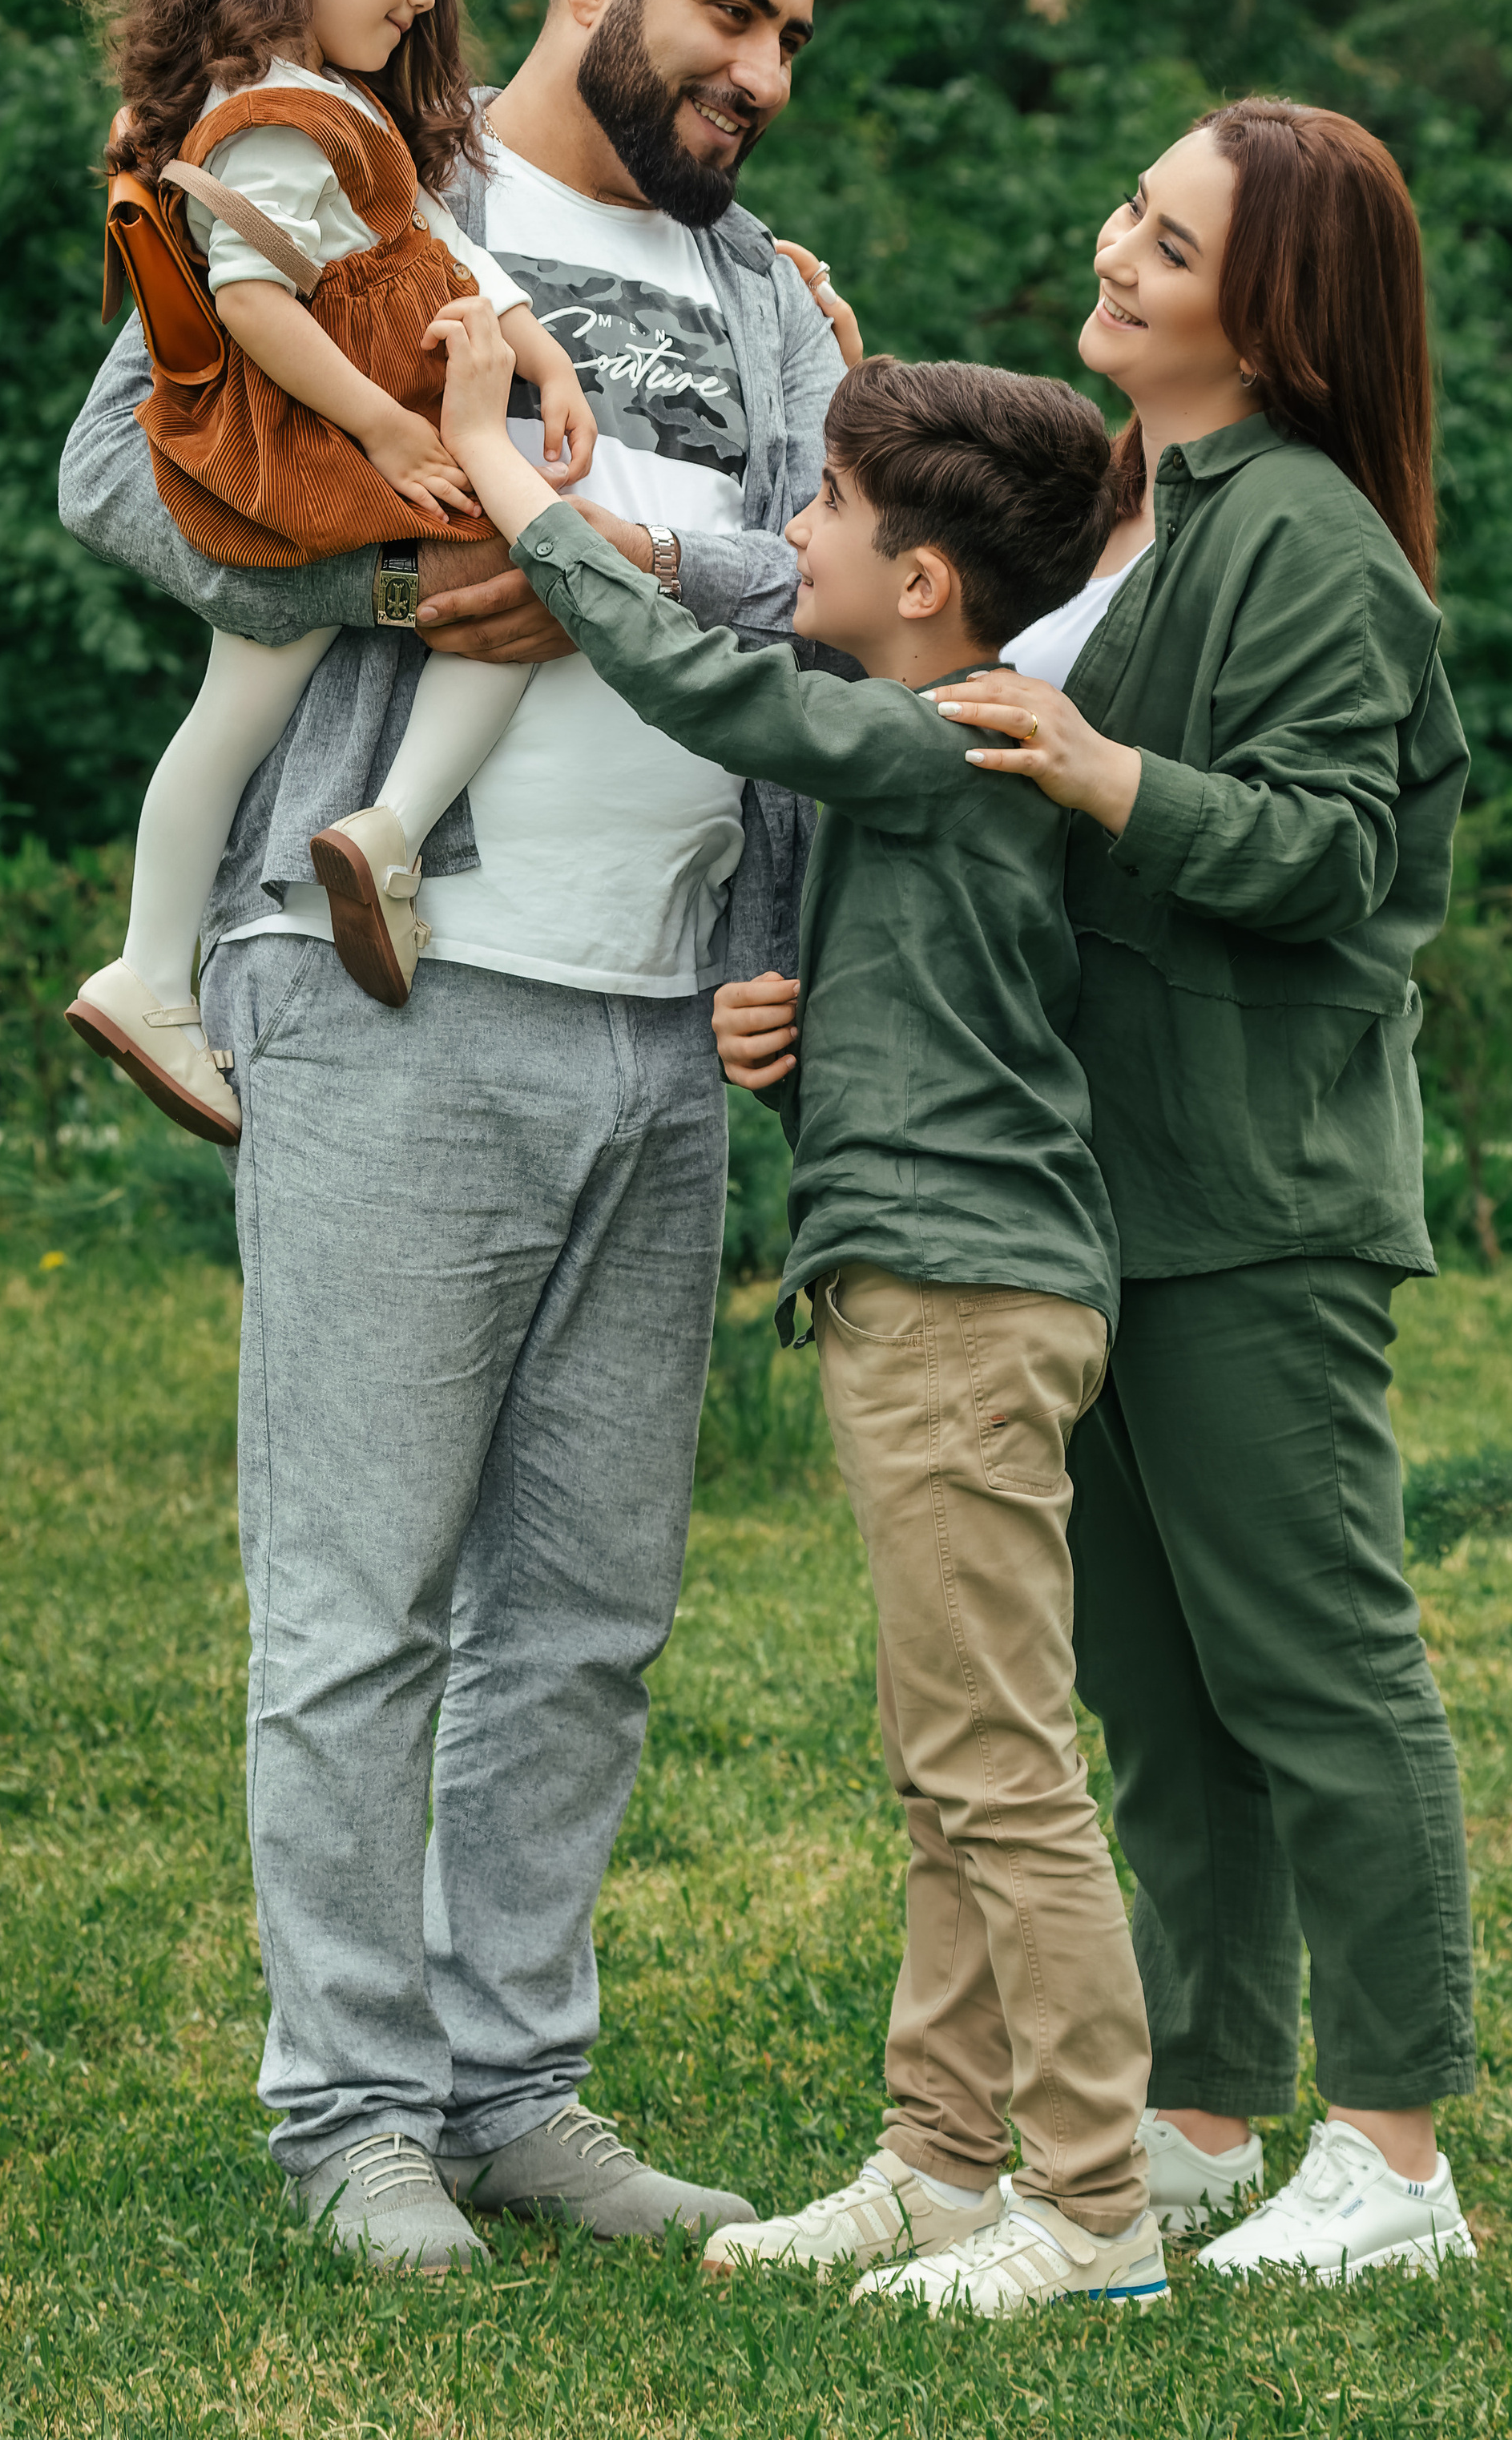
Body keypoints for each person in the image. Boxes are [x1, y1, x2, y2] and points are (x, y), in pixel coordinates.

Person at [58, 0, 849, 2271]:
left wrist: (792, 953)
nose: (764, 75)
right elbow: (127, 465)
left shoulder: (779, 308)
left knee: (590, 1612)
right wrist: (397, 566)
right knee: (365, 1592)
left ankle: (517, 2091)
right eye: (731, 14)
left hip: (661, 1021)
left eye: (798, 42)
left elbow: (828, 628)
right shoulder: (375, 171)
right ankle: (353, 2121)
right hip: (401, 992)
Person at [435, 330, 1173, 2323]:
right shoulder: (941, 752)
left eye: (827, 512)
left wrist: (511, 490)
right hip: (930, 1271)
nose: (792, 536)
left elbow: (702, 680)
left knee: (998, 1769)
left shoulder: (948, 733)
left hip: (960, 1294)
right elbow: (954, 1003)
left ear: (920, 584)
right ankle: (942, 2168)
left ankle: (1093, 2209)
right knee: (949, 1760)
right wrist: (803, 1040)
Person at [929, 99, 1480, 2281]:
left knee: (1321, 1673)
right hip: (1106, 1190)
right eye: (1132, 214)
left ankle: (1400, 2158)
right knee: (1162, 1700)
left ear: (1275, 309)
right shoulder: (1142, 514)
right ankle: (1210, 2110)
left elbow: (1344, 854)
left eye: (1170, 239)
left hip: (1254, 1194)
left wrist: (1105, 775)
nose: (1119, 248)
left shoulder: (1314, 543)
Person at [67, 0, 599, 1138]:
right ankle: (384, 835)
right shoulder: (274, 122)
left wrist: (537, 352)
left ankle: (159, 958)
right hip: (312, 459)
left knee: (234, 715)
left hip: (340, 447)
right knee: (502, 585)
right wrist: (382, 423)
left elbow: (440, 241)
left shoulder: (331, 106)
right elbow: (250, 301)